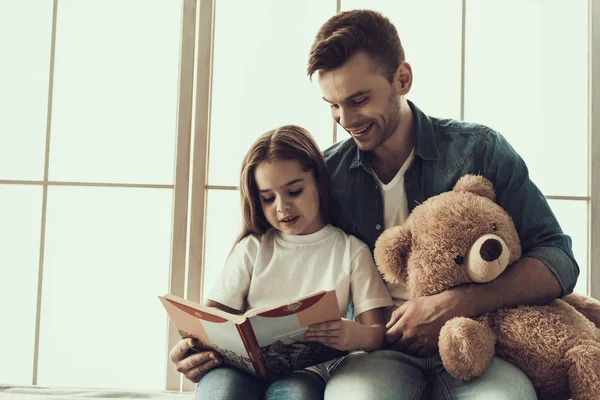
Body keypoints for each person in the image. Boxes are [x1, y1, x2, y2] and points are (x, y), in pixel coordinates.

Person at [306, 9, 580, 400]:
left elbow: (558, 261)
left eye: (358, 100)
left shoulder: (480, 150)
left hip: (482, 345)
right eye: (332, 105)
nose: (345, 120)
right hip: (376, 354)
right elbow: (275, 257)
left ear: (402, 79)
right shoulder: (327, 174)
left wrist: (455, 303)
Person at [169, 124, 393, 399]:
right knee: (221, 393)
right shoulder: (253, 248)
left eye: (294, 191)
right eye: (267, 198)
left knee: (294, 395)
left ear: (319, 183)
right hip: (235, 369)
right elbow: (211, 320)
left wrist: (355, 335)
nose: (281, 207)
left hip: (305, 371)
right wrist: (193, 346)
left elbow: (377, 332)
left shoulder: (350, 251)